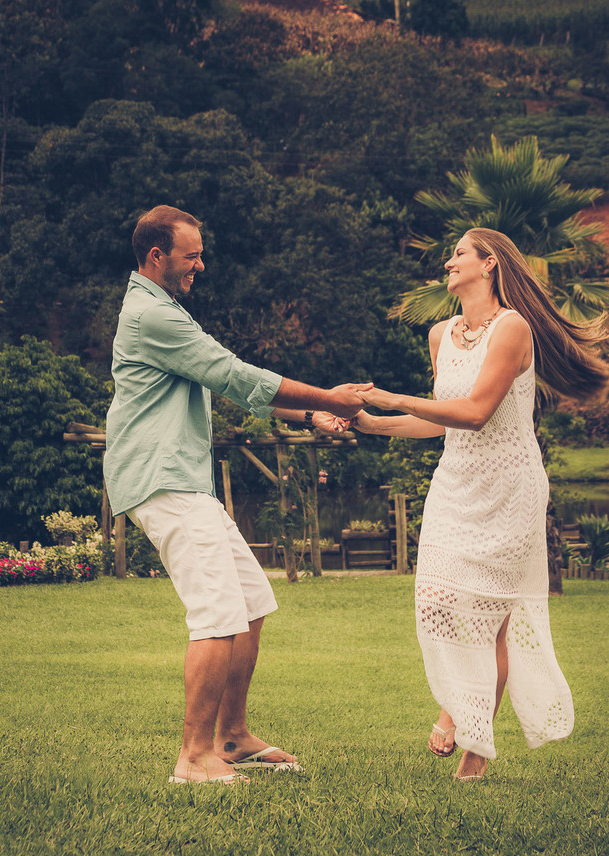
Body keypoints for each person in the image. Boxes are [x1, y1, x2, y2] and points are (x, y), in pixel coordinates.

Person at [104, 205, 368, 785]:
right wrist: (330, 397)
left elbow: (222, 382)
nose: (201, 263)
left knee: (249, 604)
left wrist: (308, 414)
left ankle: (232, 737)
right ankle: (194, 758)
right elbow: (232, 374)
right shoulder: (153, 316)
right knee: (217, 615)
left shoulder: (165, 310)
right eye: (191, 254)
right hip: (163, 478)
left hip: (185, 480)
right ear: (157, 256)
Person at [353, 227, 609, 781]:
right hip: (455, 481)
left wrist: (391, 394)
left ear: (489, 263)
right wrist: (372, 421)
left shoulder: (513, 328)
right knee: (440, 597)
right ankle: (457, 705)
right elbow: (438, 420)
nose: (448, 262)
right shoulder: (439, 334)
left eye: (459, 254)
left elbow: (475, 412)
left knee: (491, 616)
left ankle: (474, 745)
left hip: (509, 485)